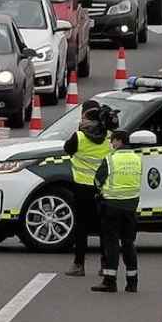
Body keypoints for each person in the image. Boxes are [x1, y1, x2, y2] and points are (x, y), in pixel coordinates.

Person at [63, 101, 113, 276]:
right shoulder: (109, 136)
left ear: (85, 116)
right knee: (103, 227)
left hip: (82, 187)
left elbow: (67, 149)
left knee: (82, 226)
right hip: (103, 188)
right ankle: (105, 265)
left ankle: (79, 265)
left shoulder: (79, 136)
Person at [91, 130, 141, 293]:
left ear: (119, 141)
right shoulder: (137, 159)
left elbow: (98, 180)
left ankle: (109, 281)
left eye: (112, 141)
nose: (111, 145)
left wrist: (100, 193)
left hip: (112, 206)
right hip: (131, 207)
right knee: (128, 243)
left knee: (111, 243)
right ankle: (132, 282)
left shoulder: (111, 159)